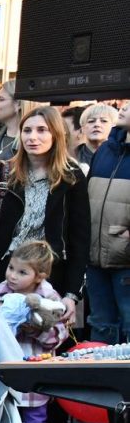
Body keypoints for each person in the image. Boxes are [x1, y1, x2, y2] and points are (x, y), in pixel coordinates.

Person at [0, 105, 89, 423]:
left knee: (51, 364)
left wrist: (72, 293)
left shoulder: (71, 178)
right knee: (1, 361)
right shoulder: (4, 174)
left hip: (52, 277)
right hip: (7, 273)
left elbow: (80, 236)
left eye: (41, 130)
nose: (33, 136)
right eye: (27, 129)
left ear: (56, 135)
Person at [0, 240, 68, 423]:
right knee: (3, 419)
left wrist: (35, 329)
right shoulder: (1, 292)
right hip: (5, 368)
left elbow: (58, 336)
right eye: (11, 268)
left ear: (39, 276)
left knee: (34, 420)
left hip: (33, 368)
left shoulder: (50, 297)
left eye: (21, 272)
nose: (12, 276)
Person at [86, 104, 130, 344]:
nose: (123, 107)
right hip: (95, 259)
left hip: (126, 261)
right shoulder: (105, 150)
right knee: (100, 327)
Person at [75, 103, 117, 168]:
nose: (97, 124)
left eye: (104, 121)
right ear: (82, 128)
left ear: (113, 126)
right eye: (91, 121)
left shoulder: (121, 157)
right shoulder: (71, 156)